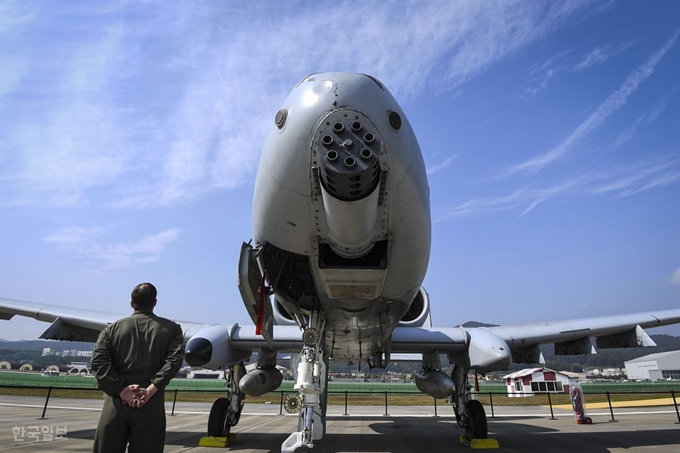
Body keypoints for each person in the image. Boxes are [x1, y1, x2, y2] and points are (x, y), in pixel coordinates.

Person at [91, 283, 184, 453]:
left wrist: (121, 390)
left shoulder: (111, 329)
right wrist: (149, 390)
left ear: (131, 303)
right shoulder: (172, 329)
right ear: (155, 302)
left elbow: (98, 363)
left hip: (116, 403)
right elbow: (174, 361)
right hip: (151, 404)